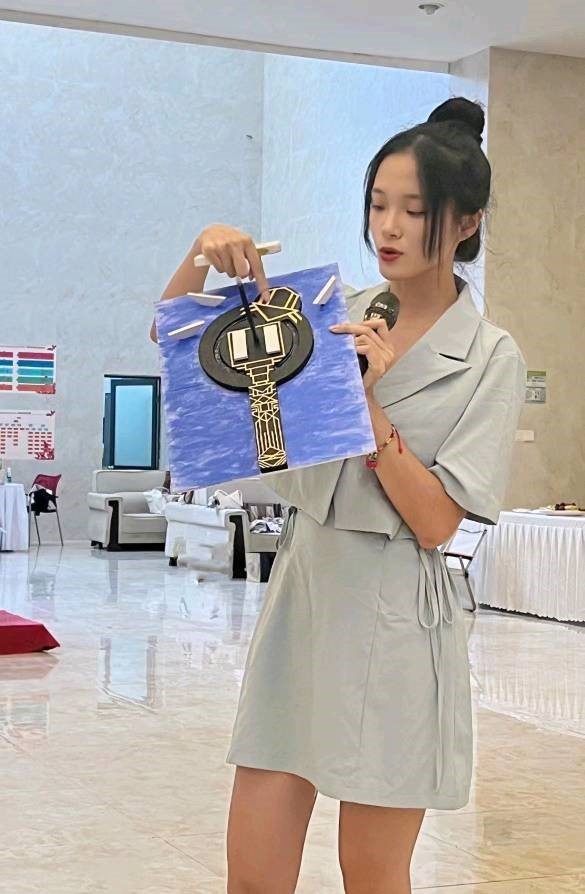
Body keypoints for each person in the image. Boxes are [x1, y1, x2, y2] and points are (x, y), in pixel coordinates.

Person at [152, 97, 526, 894]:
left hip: (398, 620)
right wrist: (201, 254)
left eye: (414, 211)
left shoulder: (489, 357)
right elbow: (180, 344)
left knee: (373, 876)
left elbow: (436, 520)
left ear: (465, 224)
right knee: (253, 875)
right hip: (306, 597)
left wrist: (367, 406)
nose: (387, 227)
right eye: (377, 205)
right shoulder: (327, 314)